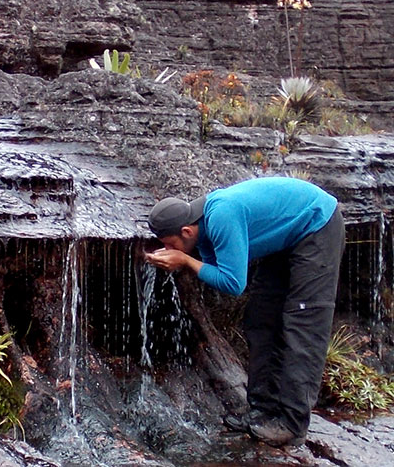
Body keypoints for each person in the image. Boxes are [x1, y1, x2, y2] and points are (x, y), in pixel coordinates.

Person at [144, 176, 345, 447]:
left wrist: (185, 260)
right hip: (285, 238)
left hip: (316, 225)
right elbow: (215, 265)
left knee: (302, 325)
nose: (169, 250)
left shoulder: (221, 215)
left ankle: (292, 424)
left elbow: (233, 283)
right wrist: (175, 255)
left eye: (169, 244)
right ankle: (262, 411)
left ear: (187, 231)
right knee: (260, 318)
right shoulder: (199, 225)